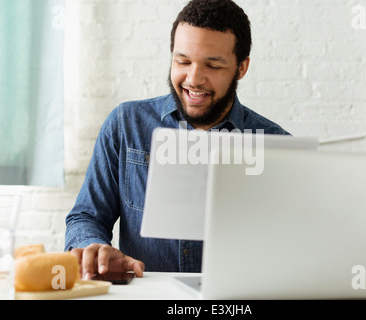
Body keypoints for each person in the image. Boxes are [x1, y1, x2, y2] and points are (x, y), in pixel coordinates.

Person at [65, 0, 291, 279]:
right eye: (182, 61)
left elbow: (293, 247)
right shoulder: (126, 124)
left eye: (213, 65)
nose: (193, 79)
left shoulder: (277, 145)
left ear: (241, 68)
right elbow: (86, 216)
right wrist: (94, 248)